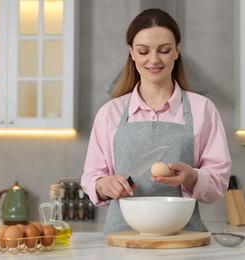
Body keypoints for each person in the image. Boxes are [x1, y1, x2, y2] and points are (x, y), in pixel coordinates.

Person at [81, 8, 231, 235]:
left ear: (177, 51)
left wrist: (191, 177)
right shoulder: (110, 113)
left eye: (163, 50)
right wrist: (104, 185)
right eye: (143, 51)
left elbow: (219, 182)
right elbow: (92, 177)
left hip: (183, 238)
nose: (154, 60)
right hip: (122, 239)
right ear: (131, 53)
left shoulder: (203, 110)